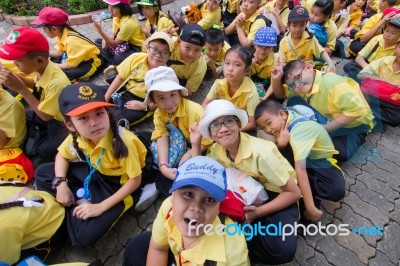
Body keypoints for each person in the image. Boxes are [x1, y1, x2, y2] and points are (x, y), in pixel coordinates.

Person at [35, 82, 157, 247]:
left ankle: (78, 205)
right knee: (42, 171)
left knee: (81, 238)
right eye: (83, 118)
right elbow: (61, 156)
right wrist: (61, 184)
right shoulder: (78, 137)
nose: (94, 122)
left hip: (120, 184)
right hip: (97, 171)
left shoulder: (123, 143)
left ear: (107, 113)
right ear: (70, 125)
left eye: (99, 113)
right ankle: (77, 202)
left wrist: (99, 208)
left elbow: (134, 180)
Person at [190, 100, 301, 265]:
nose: (223, 129)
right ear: (211, 134)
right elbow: (201, 175)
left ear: (239, 125)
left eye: (229, 121)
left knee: (282, 251)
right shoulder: (217, 149)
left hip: (277, 192)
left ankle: (248, 240)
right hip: (245, 191)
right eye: (215, 125)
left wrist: (258, 212)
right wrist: (195, 143)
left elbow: (294, 193)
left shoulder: (263, 152)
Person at [122, 156, 250, 266]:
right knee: (137, 247)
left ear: (218, 208)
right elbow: (158, 249)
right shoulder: (168, 209)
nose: (196, 207)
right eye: (188, 194)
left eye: (209, 199)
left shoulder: (231, 255)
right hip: (177, 256)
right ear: (172, 196)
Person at [254, 99, 345, 222]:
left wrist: (310, 208)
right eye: (264, 127)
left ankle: (305, 194)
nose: (268, 130)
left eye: (269, 123)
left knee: (335, 190)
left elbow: (301, 170)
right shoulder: (286, 118)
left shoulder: (299, 130)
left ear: (282, 114)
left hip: (320, 162)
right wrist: (281, 145)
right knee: (279, 155)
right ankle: (301, 190)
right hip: (306, 159)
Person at [272, 59, 375, 162]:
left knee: (341, 153)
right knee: (293, 100)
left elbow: (356, 111)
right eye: (292, 85)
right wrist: (275, 79)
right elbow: (280, 95)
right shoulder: (304, 85)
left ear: (309, 67)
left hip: (353, 125)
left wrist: (326, 128)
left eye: (298, 77)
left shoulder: (332, 83)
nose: (297, 85)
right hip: (326, 116)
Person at [0, 27, 70, 160]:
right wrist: (13, 76)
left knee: (45, 150)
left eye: (18, 61)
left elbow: (46, 117)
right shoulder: (40, 68)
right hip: (46, 107)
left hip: (61, 121)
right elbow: (35, 84)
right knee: (24, 115)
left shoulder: (56, 83)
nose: (14, 63)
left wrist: (21, 89)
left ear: (39, 61)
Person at [143, 66, 212, 195]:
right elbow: (162, 135)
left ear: (180, 93)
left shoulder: (195, 111)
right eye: (161, 98)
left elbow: (208, 141)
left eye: (172, 94)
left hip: (198, 147)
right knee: (143, 140)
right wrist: (163, 166)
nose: (169, 102)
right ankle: (162, 174)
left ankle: (159, 184)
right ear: (154, 101)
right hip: (178, 142)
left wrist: (188, 154)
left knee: (190, 170)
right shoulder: (159, 113)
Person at [104, 32, 172, 126]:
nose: (158, 55)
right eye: (154, 49)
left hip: (143, 101)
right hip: (125, 90)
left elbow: (162, 101)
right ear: (147, 48)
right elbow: (120, 79)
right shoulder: (136, 57)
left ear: (169, 56)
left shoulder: (168, 75)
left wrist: (145, 107)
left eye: (164, 52)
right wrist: (105, 99)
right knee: (96, 95)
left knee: (114, 122)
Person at [31, 7, 102, 82]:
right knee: (53, 60)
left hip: (91, 63)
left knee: (65, 76)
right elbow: (60, 52)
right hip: (76, 58)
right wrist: (41, 54)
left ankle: (85, 76)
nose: (44, 31)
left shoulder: (71, 41)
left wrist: (48, 66)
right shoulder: (60, 34)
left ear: (54, 29)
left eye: (44, 29)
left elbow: (70, 65)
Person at [202, 46, 259, 132]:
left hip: (239, 121)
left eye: (237, 65)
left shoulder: (251, 91)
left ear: (247, 70)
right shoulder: (219, 82)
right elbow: (205, 104)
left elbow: (252, 123)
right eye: (227, 63)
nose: (230, 69)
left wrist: (232, 130)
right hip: (222, 116)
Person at [278, 6, 335, 72]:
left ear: (306, 24)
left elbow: (321, 51)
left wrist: (330, 64)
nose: (297, 29)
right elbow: (282, 61)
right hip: (291, 72)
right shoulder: (284, 41)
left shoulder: (310, 38)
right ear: (288, 25)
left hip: (307, 71)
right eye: (294, 25)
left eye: (301, 25)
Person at [346, 14, 400, 82]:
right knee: (350, 67)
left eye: (393, 33)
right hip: (366, 67)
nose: (388, 35)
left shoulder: (398, 50)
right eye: (387, 31)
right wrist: (369, 70)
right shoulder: (377, 39)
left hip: (381, 76)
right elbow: (359, 58)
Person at [358, 41, 400, 126]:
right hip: (373, 94)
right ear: (396, 48)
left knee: (396, 118)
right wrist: (382, 81)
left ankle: (364, 111)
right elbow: (361, 75)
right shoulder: (384, 61)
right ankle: (370, 115)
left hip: (392, 103)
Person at [94, 0, 145, 68]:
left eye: (114, 7)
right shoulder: (116, 17)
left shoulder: (128, 24)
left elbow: (114, 44)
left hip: (134, 47)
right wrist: (104, 40)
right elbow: (113, 34)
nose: (110, 9)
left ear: (123, 8)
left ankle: (108, 62)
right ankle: (108, 61)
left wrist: (100, 31)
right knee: (98, 41)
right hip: (122, 43)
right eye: (109, 5)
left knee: (117, 59)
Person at [168, 24, 208, 95]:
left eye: (197, 50)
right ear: (178, 42)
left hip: (182, 81)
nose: (191, 54)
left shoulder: (200, 66)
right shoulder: (170, 43)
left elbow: (188, 91)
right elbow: (147, 48)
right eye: (187, 48)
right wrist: (160, 36)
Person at [250, 26, 279, 100]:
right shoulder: (247, 56)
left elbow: (274, 83)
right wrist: (248, 64)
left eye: (267, 47)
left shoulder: (275, 61)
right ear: (254, 45)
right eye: (260, 46)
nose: (263, 50)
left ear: (272, 48)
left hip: (268, 86)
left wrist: (264, 98)